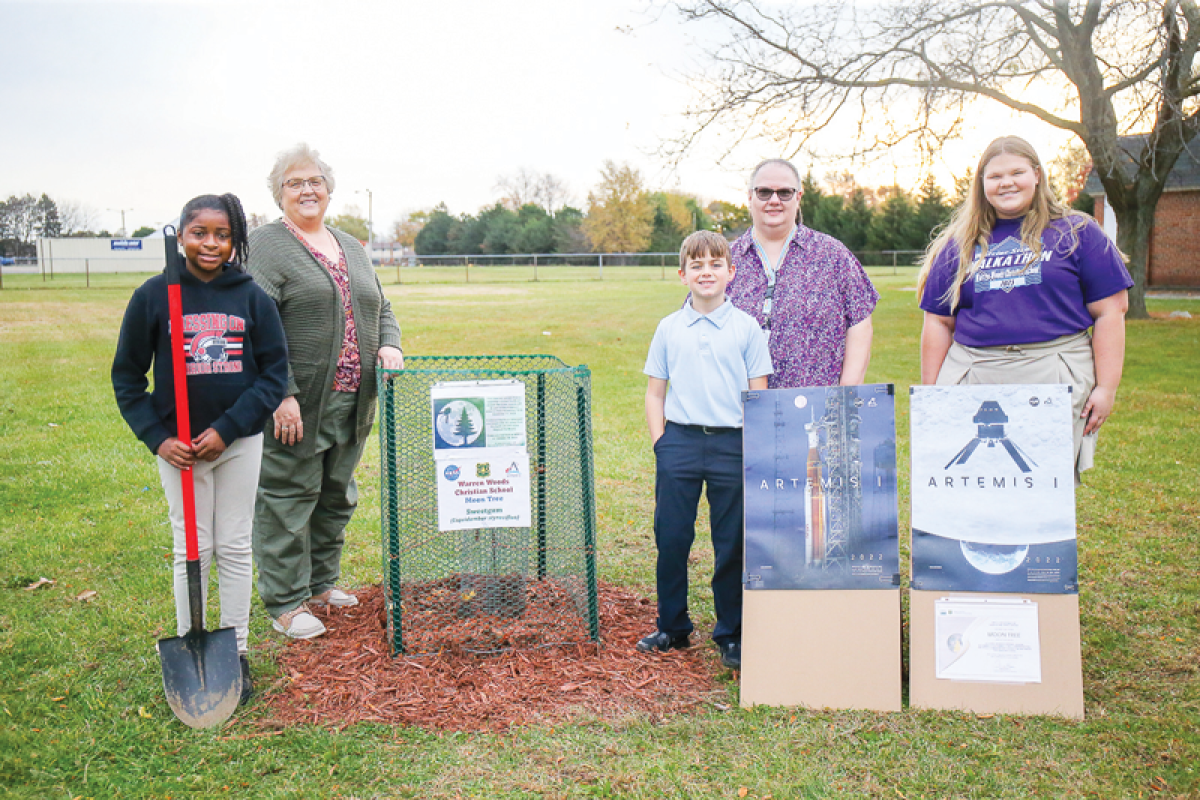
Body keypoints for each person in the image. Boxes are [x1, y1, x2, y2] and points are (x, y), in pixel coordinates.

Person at [112, 193, 288, 705]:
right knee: (192, 547)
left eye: (222, 234)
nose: (211, 243)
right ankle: (194, 645)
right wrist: (158, 438)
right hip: (180, 450)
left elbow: (273, 375)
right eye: (199, 233)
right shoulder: (153, 296)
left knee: (233, 545)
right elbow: (127, 377)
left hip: (237, 443)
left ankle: (232, 651)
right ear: (182, 234)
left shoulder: (252, 298)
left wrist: (229, 428)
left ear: (236, 241)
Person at [246, 144, 404, 640]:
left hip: (354, 397)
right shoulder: (267, 247)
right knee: (288, 496)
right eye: (294, 183)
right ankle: (286, 602)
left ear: (330, 189)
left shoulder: (350, 246)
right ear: (279, 193)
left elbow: (381, 306)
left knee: (336, 494)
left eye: (315, 181)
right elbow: (254, 326)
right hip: (297, 400)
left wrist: (391, 346)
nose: (307, 189)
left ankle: (318, 585)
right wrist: (281, 391)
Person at [917, 135, 1132, 481]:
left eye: (1016, 172)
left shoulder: (1077, 232)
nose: (1006, 183)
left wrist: (1106, 388)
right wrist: (932, 397)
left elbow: (1111, 311)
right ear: (982, 184)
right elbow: (939, 322)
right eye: (995, 176)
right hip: (975, 370)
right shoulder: (959, 244)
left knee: (1041, 483)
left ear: (1036, 174)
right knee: (974, 483)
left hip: (1053, 370)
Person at [640, 230, 773, 670]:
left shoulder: (747, 327)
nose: (706, 272)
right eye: (696, 265)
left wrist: (751, 445)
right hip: (679, 440)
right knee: (672, 537)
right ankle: (672, 625)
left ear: (731, 273)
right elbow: (655, 392)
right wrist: (662, 443)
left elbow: (759, 393)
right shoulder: (668, 327)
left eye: (715, 263)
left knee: (731, 541)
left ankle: (730, 633)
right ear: (682, 275)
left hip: (731, 443)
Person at [726, 158, 878, 388]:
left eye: (785, 192)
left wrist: (847, 391)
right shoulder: (724, 260)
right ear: (749, 196)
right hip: (738, 411)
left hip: (817, 410)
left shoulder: (832, 255)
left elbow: (860, 323)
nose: (774, 200)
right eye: (764, 192)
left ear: (798, 197)